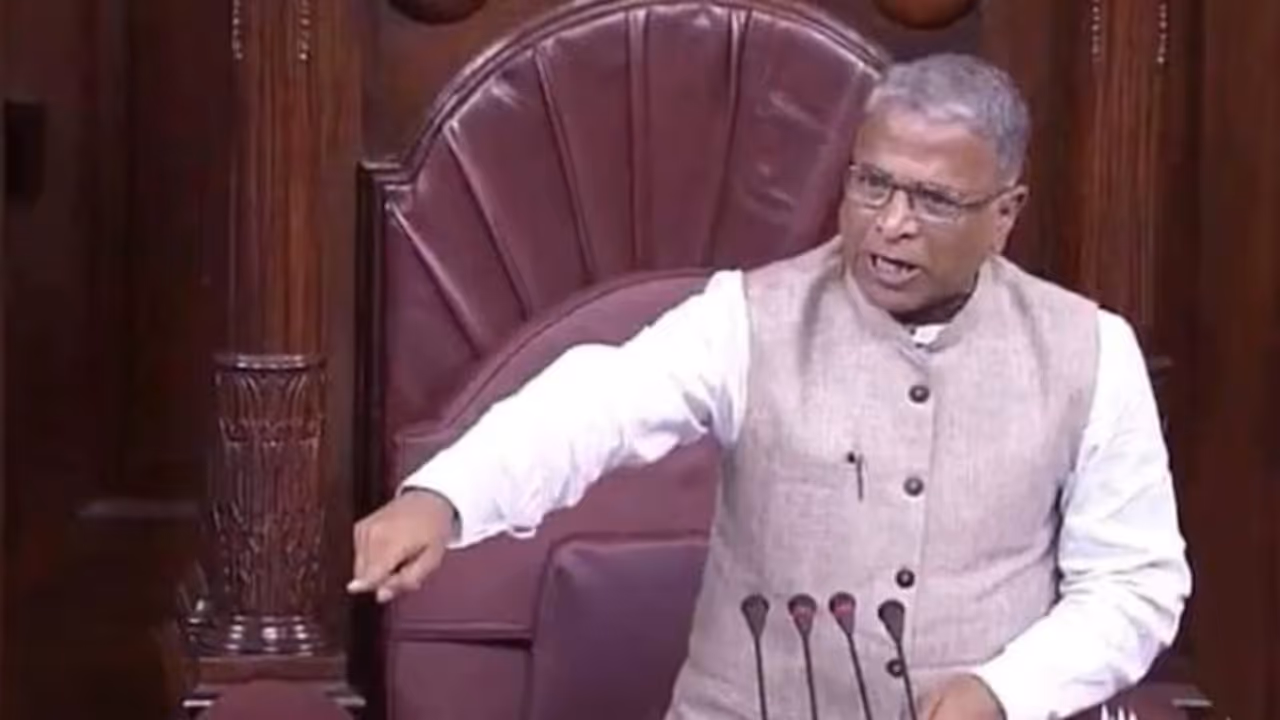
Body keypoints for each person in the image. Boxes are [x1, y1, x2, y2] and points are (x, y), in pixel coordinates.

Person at [348, 53, 1191, 720]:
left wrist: (1005, 691)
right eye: (872, 183)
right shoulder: (748, 318)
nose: (891, 222)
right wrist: (446, 498)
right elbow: (595, 404)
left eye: (934, 200)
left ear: (1005, 213)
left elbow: (1135, 584)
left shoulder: (1090, 351)